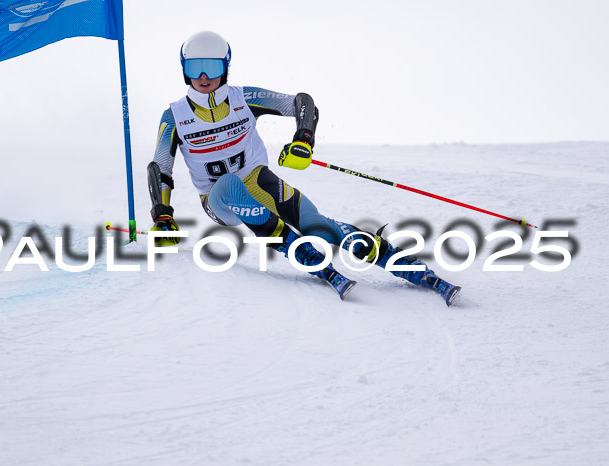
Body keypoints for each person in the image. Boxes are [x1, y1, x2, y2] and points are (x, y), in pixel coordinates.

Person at [149, 31, 460, 306]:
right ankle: (308, 256)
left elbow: (301, 103)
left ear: (226, 67)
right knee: (230, 183)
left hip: (257, 179)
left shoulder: (245, 97)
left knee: (317, 224)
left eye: (213, 67)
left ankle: (411, 268)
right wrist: (162, 214)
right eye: (194, 68)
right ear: (184, 70)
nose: (203, 77)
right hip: (219, 200)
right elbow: (161, 166)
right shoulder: (174, 116)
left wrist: (303, 139)